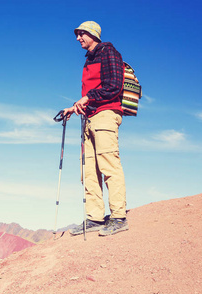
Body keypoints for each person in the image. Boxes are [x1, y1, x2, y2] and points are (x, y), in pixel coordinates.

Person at [63, 21, 128, 236]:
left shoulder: (109, 52)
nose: (78, 38)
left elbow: (113, 86)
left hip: (106, 115)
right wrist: (74, 107)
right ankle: (95, 217)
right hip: (90, 117)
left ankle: (118, 217)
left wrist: (88, 97)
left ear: (93, 34)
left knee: (109, 164)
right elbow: (92, 92)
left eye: (82, 34)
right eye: (77, 35)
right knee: (89, 170)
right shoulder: (89, 59)